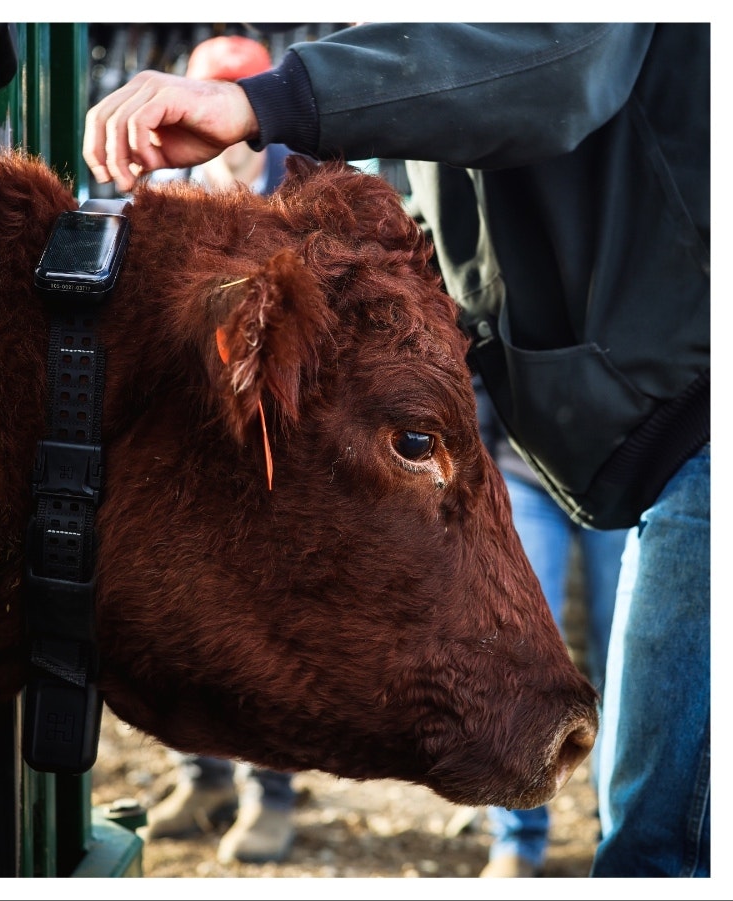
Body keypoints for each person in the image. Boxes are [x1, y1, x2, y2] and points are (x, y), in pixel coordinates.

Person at [84, 23, 709, 877]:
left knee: (665, 839)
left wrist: (266, 101)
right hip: (596, 426)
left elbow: (563, 57)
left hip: (693, 403)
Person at [141, 34, 303, 867]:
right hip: (185, 444)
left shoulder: (309, 193)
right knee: (178, 615)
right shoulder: (165, 195)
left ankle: (267, 793)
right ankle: (197, 771)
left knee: (266, 627)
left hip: (275, 451)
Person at [475, 378, 627, 877]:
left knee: (626, 662)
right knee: (514, 659)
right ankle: (517, 838)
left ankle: (620, 832)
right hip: (522, 473)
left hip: (627, 475)